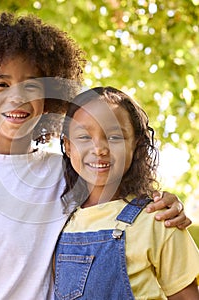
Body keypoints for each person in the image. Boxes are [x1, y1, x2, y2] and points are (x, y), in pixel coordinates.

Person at [0, 12, 190, 300]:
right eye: (2, 84)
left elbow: (117, 197)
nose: (17, 97)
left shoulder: (64, 171)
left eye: (31, 86)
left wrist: (167, 202)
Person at [54, 86, 199, 299]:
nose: (99, 149)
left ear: (136, 144)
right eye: (84, 136)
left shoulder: (158, 219)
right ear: (67, 145)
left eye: (114, 137)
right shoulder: (59, 221)